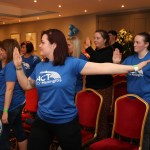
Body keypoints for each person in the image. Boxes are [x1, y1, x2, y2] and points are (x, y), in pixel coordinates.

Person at [13, 29, 150, 150]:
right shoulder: (40, 67)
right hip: (43, 120)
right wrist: (18, 67)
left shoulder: (72, 63)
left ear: (54, 45)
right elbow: (26, 85)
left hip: (66, 122)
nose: (39, 45)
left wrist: (134, 68)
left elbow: (103, 68)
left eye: (42, 42)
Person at [113, 32, 150, 150]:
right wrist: (116, 63)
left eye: (137, 42)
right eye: (134, 41)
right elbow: (115, 73)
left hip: (146, 102)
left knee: (146, 132)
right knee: (130, 130)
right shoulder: (130, 59)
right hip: (130, 101)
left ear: (146, 44)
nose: (134, 44)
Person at [84, 29, 116, 139]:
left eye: (98, 38)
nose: (95, 40)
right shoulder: (96, 51)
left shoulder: (109, 51)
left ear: (105, 40)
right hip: (91, 87)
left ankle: (102, 141)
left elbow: (100, 62)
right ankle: (92, 139)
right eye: (94, 38)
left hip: (103, 88)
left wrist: (89, 48)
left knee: (101, 117)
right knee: (92, 115)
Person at [0, 39, 27, 150]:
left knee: (2, 138)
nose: (0, 51)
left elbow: (9, 89)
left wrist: (5, 111)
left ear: (9, 51)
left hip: (10, 106)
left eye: (2, 49)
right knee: (19, 131)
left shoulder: (11, 66)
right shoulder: (5, 63)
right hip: (17, 103)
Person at [20, 41, 41, 112]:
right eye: (21, 47)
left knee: (30, 103)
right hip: (21, 83)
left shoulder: (36, 59)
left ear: (28, 48)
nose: (22, 49)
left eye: (24, 47)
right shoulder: (19, 58)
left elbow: (38, 72)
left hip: (31, 84)